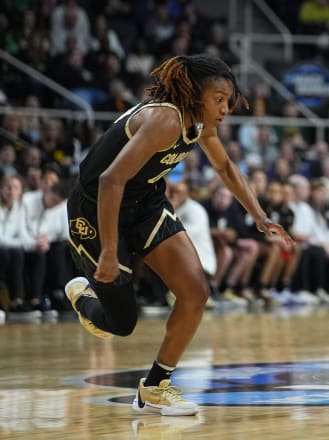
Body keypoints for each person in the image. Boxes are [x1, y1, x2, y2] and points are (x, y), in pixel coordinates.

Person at [65, 54, 294, 416]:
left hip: (145, 202)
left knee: (196, 291)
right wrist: (110, 251)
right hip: (97, 207)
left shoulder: (200, 123)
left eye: (227, 100)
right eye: (218, 99)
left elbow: (225, 166)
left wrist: (260, 216)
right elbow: (111, 180)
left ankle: (155, 387)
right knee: (121, 325)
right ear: (194, 94)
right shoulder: (164, 119)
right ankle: (83, 297)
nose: (224, 108)